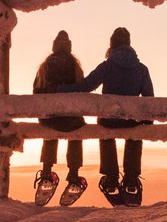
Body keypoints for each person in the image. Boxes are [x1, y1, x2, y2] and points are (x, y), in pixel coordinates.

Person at [60, 27, 153, 206]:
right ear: (129, 45)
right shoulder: (142, 69)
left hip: (109, 120)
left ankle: (111, 181)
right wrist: (147, 124)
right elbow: (149, 100)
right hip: (131, 122)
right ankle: (131, 181)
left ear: (112, 44)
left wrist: (59, 90)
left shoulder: (107, 66)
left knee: (105, 131)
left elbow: (86, 86)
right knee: (136, 134)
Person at [32, 31, 88, 207]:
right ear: (69, 47)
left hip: (49, 119)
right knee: (77, 132)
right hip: (71, 120)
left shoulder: (45, 66)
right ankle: (73, 174)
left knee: (50, 131)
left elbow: (36, 90)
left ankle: (47, 173)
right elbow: (82, 91)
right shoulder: (75, 66)